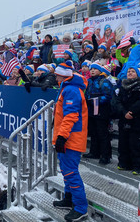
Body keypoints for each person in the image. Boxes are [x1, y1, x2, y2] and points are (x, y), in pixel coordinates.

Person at [51, 63, 88, 221]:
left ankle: (80, 207)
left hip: (71, 138)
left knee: (71, 172)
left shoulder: (71, 90)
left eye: (57, 74)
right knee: (66, 171)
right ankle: (69, 198)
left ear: (63, 75)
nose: (55, 77)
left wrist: (62, 137)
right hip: (68, 137)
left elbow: (71, 116)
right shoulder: (67, 87)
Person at [114, 66, 140, 175]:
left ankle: (139, 166)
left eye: (133, 71)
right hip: (124, 118)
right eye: (129, 71)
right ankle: (124, 163)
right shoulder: (122, 86)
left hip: (137, 119)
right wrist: (124, 112)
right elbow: (117, 101)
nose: (130, 73)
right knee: (123, 142)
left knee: (136, 143)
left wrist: (131, 112)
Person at [83, 62, 113, 164]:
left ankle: (105, 155)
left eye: (95, 69)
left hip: (102, 110)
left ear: (100, 71)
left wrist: (96, 100)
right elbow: (86, 94)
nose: (92, 71)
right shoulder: (89, 81)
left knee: (102, 133)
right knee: (93, 132)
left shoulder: (104, 81)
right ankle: (94, 152)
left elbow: (108, 96)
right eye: (91, 69)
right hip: (91, 109)